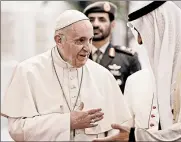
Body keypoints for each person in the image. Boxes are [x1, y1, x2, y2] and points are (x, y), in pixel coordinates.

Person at [94, 1, 181, 141]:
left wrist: (135, 136)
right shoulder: (175, 71)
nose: (139, 41)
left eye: (141, 32)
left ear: (161, 27)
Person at [1, 10, 132, 141]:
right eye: (80, 40)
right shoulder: (28, 71)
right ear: (59, 40)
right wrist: (67, 122)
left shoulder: (103, 75)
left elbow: (116, 128)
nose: (88, 48)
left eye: (90, 40)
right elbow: (17, 130)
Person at [83, 1, 141, 93]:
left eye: (102, 19)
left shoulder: (128, 58)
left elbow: (136, 96)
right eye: (91, 20)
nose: (95, 24)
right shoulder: (76, 56)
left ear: (113, 25)